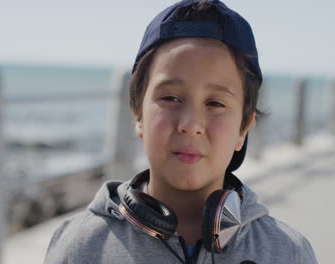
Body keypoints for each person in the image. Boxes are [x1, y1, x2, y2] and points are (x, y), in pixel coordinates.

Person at [44, 1, 317, 263]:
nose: (191, 124)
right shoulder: (80, 248)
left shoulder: (287, 253)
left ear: (243, 129)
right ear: (138, 114)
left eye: (215, 103)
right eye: (171, 98)